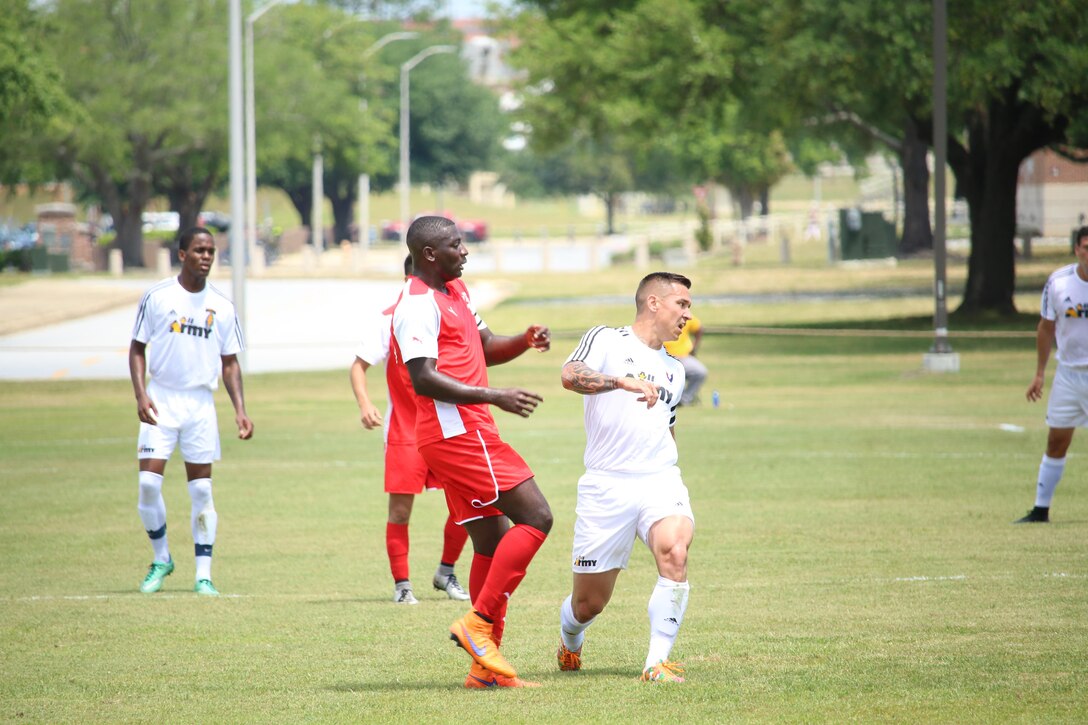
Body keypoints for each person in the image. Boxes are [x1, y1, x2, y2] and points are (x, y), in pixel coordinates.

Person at [391, 215, 552, 688]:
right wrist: (493, 395)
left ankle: (485, 670)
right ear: (430, 255)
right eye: (457, 246)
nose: (466, 252)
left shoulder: (456, 293)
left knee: (491, 541)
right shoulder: (416, 304)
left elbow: (484, 346)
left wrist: (523, 341)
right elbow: (423, 377)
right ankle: (478, 624)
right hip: (458, 431)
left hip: (461, 430)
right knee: (537, 517)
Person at [556, 271, 695, 683]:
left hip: (659, 479)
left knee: (675, 551)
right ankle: (570, 639)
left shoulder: (676, 369)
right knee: (588, 605)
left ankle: (656, 663)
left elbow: (668, 426)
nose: (688, 314)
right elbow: (569, 375)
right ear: (654, 302)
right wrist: (620, 381)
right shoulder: (606, 340)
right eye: (682, 304)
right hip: (607, 484)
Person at [128, 226, 254, 596]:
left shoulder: (223, 306)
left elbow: (229, 363)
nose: (206, 257)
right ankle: (162, 557)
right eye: (199, 250)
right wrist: (140, 394)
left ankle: (204, 575)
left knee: (201, 491)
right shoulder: (158, 297)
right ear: (182, 254)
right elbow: (137, 348)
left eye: (211, 251)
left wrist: (240, 411)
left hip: (200, 404)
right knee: (148, 484)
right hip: (161, 399)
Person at [350, 254, 470, 604]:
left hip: (446, 427)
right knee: (400, 511)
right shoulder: (390, 317)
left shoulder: (450, 311)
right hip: (405, 431)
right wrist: (365, 405)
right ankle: (402, 585)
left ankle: (446, 571)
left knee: (465, 504)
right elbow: (358, 366)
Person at [1018, 226, 1088, 524]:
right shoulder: (1059, 283)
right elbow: (1046, 328)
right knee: (1057, 440)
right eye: (1086, 246)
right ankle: (1040, 509)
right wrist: (1039, 374)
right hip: (1068, 375)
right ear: (1076, 249)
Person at [663, 312, 707, 406]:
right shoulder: (660, 317)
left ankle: (684, 400)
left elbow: (699, 328)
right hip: (663, 358)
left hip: (683, 357)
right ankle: (669, 399)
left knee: (700, 371)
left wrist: (694, 348)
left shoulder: (684, 316)